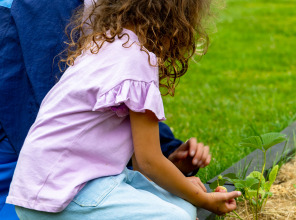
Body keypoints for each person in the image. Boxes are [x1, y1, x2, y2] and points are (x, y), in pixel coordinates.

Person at [6, 0, 241, 219]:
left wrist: (184, 189)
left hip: (56, 181)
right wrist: (204, 198)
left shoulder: (106, 43)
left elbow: (141, 163)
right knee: (176, 216)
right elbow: (148, 162)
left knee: (184, 206)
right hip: (61, 192)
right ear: (176, 21)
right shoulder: (138, 60)